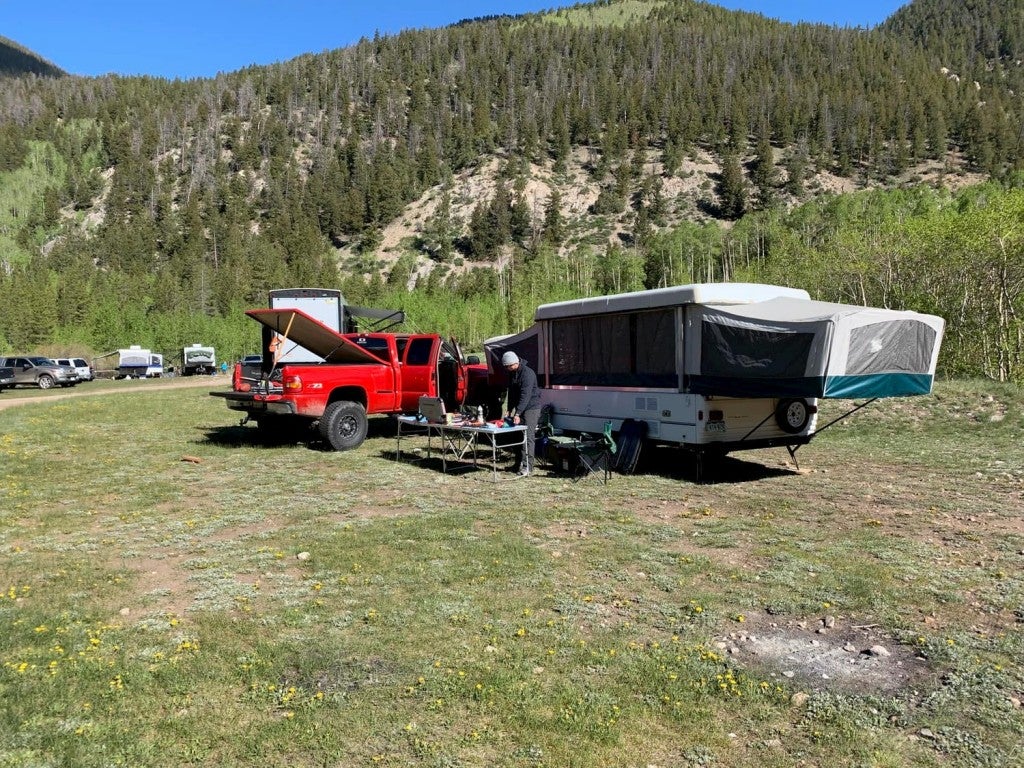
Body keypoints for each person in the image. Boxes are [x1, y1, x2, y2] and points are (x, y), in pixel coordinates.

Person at [502, 350, 541, 477]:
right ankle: (517, 463)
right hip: (520, 407)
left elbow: (525, 395)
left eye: (507, 366)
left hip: (531, 408)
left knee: (528, 437)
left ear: (514, 363)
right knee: (517, 436)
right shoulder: (512, 373)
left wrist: (517, 413)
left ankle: (528, 467)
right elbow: (512, 392)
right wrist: (509, 409)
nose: (506, 368)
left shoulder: (528, 374)